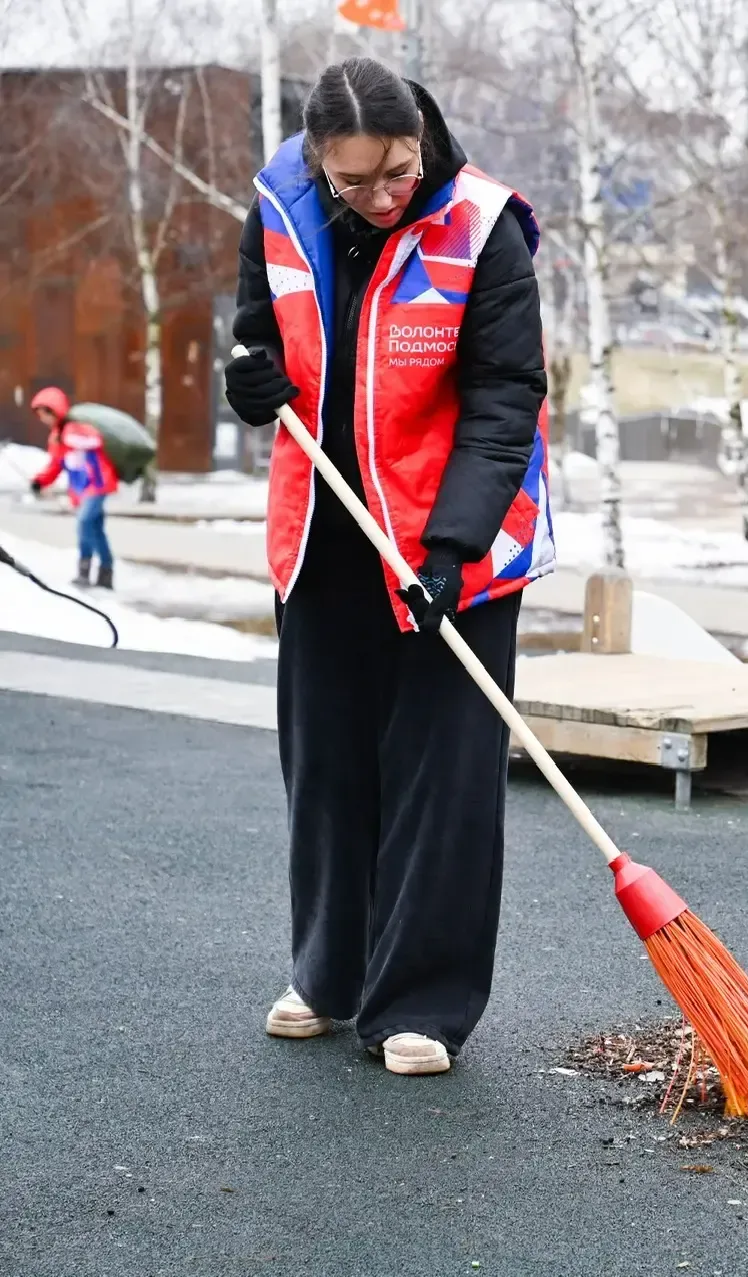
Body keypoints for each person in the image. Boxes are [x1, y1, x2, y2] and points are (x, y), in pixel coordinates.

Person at [221, 57, 553, 1076]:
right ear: (319, 158)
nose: (379, 196)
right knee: (325, 766)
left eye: (397, 173)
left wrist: (450, 547)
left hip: (456, 537)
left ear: (421, 139)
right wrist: (251, 380)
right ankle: (330, 974)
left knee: (442, 777)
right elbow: (254, 342)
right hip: (324, 530)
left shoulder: (483, 226)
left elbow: (506, 401)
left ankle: (421, 1001)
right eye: (355, 180)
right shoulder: (279, 203)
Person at [27, 387, 118, 590]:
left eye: (44, 414)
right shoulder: (57, 436)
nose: (43, 419)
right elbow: (56, 465)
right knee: (95, 530)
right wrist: (40, 481)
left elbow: (96, 440)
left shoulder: (75, 428)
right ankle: (104, 572)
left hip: (97, 484)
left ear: (54, 411)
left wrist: (68, 438)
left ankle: (89, 572)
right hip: (81, 489)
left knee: (84, 523)